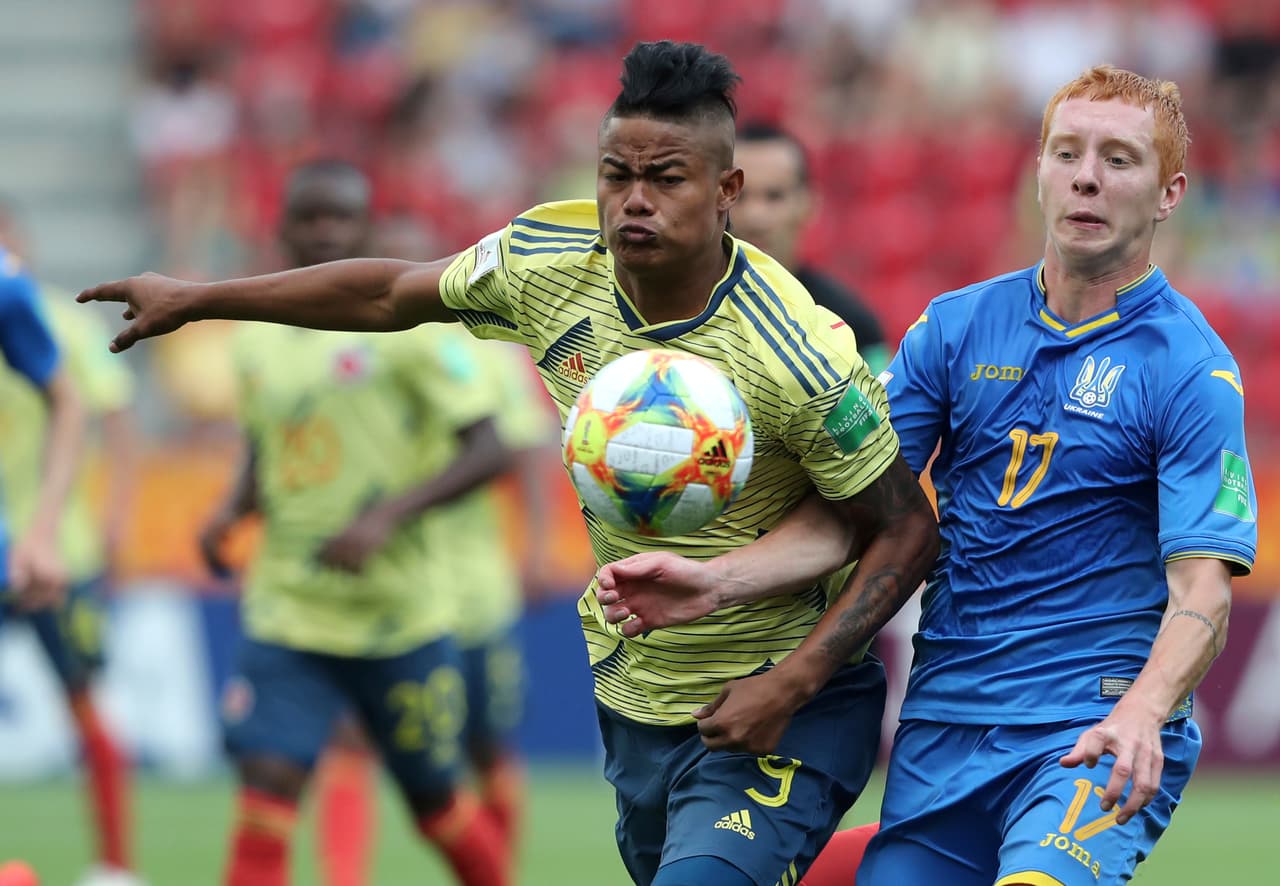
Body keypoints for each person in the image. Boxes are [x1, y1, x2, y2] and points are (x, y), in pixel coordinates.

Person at [82, 42, 940, 886]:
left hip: (788, 700)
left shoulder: (797, 348)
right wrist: (198, 299)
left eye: (666, 180)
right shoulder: (548, 264)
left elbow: (904, 529)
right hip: (640, 693)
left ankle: (941, 857)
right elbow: (389, 293)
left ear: (727, 192)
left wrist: (794, 681)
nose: (633, 202)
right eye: (616, 175)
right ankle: (917, 863)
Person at [589, 65, 1258, 886]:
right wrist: (715, 581)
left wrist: (1143, 712)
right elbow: (856, 511)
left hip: (1087, 727)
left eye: (1120, 160)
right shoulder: (954, 328)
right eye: (1067, 152)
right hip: (945, 723)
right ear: (1039, 171)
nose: (1087, 175)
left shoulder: (1190, 368)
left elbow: (1203, 592)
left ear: (1168, 193)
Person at [195, 159, 515, 886]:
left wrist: (386, 517)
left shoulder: (416, 328)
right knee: (265, 790)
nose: (324, 233)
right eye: (309, 218)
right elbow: (265, 446)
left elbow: (491, 446)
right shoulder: (255, 337)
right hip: (289, 612)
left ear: (367, 228)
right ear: (282, 230)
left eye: (340, 217)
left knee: (436, 803)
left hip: (397, 615)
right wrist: (229, 511)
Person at [0, 235, 140, 885]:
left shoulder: (55, 319)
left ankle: (114, 868)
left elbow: (101, 413)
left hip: (55, 552)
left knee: (84, 703)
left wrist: (109, 520)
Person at [0, 249, 87, 858]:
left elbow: (70, 401)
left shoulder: (7, 290)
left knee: (84, 696)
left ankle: (116, 864)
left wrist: (40, 532)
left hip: (23, 552)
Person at [732, 122, 889, 374]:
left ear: (809, 204)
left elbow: (881, 408)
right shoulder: (675, 308)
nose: (755, 216)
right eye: (740, 195)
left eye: (774, 196)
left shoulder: (854, 323)